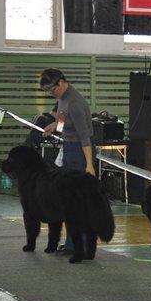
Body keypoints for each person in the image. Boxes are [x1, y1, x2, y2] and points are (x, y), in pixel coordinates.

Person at [41, 68, 95, 255]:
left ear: (61, 83)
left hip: (81, 151)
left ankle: (83, 245)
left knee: (78, 201)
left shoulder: (75, 103)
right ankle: (72, 243)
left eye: (52, 90)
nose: (51, 94)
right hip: (69, 148)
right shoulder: (63, 98)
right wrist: (53, 126)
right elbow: (63, 121)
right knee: (68, 200)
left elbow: (85, 137)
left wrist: (89, 165)